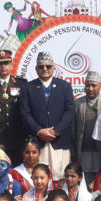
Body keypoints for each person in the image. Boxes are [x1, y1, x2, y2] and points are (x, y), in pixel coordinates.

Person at [19, 52, 76, 184]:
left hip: (59, 140)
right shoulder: (28, 87)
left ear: (54, 67)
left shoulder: (64, 86)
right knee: (40, 179)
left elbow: (70, 111)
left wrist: (56, 131)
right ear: (36, 69)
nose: (45, 69)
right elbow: (25, 113)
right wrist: (39, 131)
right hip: (39, 141)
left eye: (48, 66)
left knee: (61, 178)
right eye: (41, 66)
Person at [74, 71, 101, 184]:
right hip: (84, 150)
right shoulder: (77, 103)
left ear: (100, 86)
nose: (90, 88)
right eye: (87, 85)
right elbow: (73, 128)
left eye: (94, 85)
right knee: (85, 181)